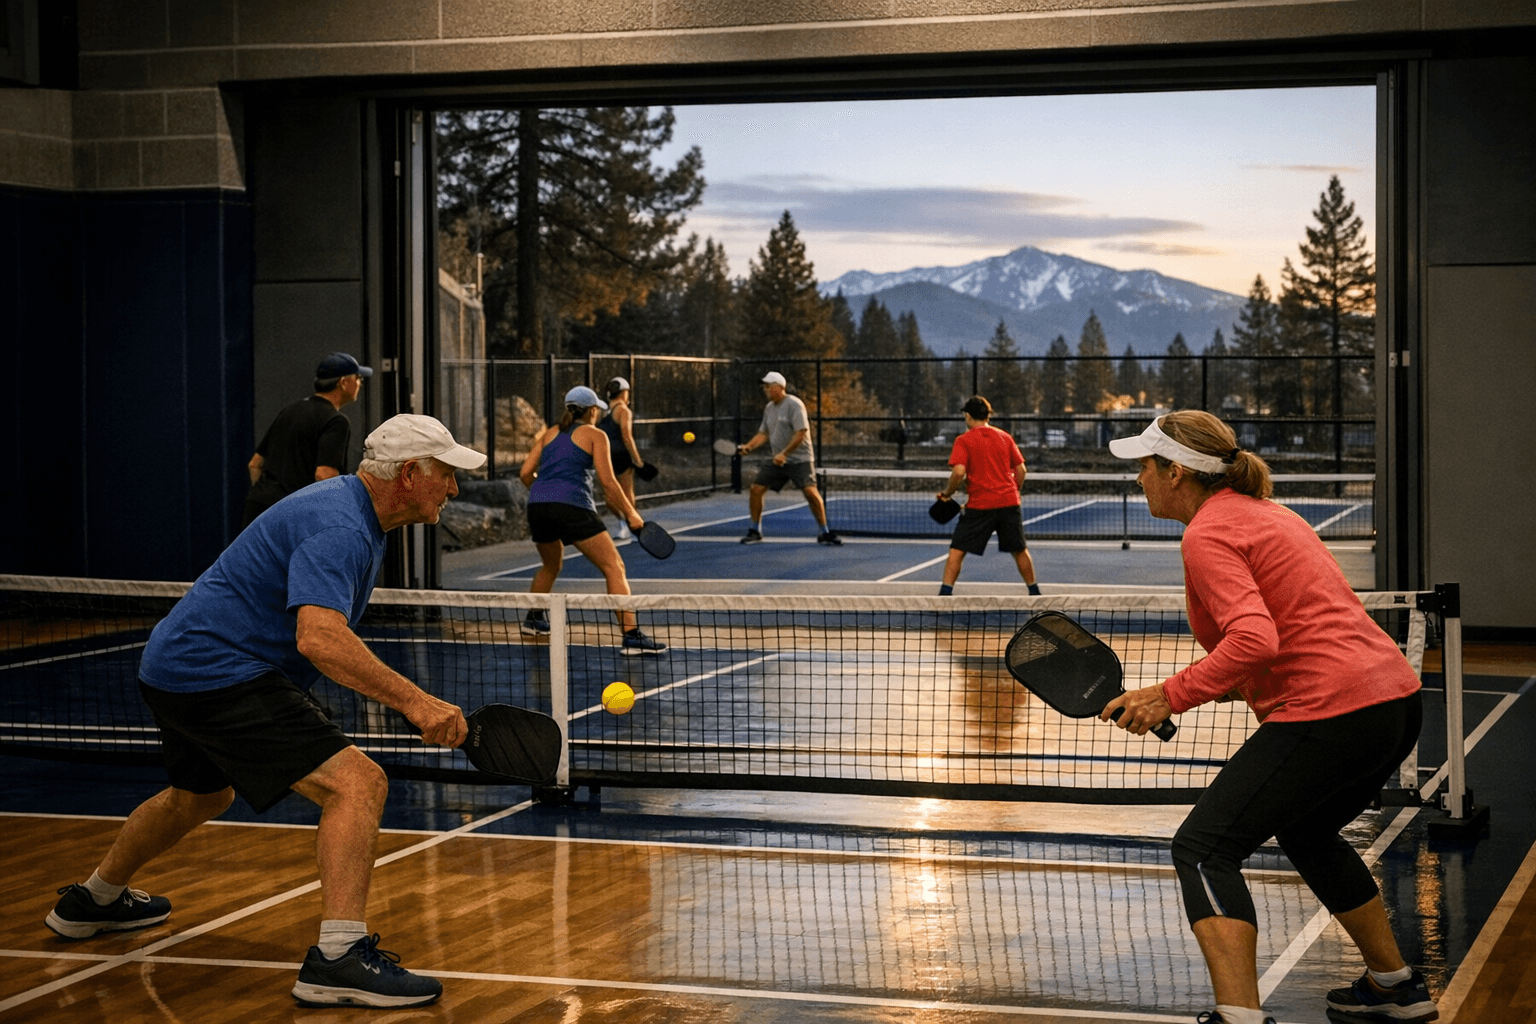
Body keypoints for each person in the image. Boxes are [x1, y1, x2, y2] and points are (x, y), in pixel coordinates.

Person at [45, 413, 485, 1009]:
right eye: (446, 474)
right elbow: (319, 638)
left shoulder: (351, 511)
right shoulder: (341, 526)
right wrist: (417, 702)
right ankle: (338, 959)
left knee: (199, 797)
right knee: (357, 784)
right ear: (409, 474)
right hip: (216, 671)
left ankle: (91, 901)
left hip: (173, 665)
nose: (453, 487)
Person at [1102, 410, 1435, 1024]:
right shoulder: (1270, 514)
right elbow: (1299, 628)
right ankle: (1394, 984)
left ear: (1176, 472)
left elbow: (1255, 640)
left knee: (1202, 849)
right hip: (1393, 702)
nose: (1138, 477)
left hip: (1331, 712)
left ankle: (1239, 1017)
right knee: (1307, 832)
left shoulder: (1207, 533)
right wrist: (1222, 689)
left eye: (1145, 466)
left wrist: (1169, 695)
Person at [519, 385, 667, 655]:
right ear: (592, 411)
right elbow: (609, 483)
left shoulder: (549, 433)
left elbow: (525, 473)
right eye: (596, 409)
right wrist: (632, 514)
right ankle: (631, 635)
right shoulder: (596, 435)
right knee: (614, 567)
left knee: (550, 565)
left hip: (538, 507)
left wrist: (545, 492)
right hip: (573, 506)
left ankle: (534, 619)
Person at [243, 352, 372, 528]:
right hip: (293, 514)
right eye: (358, 378)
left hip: (258, 509)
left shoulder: (290, 410)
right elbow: (324, 475)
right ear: (343, 382)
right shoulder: (336, 421)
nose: (360, 383)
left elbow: (255, 464)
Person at [933, 395, 1041, 596]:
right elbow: (1021, 470)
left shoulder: (963, 440)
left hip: (979, 506)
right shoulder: (1005, 437)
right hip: (1009, 502)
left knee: (957, 551)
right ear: (987, 415)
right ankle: (1035, 593)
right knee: (1019, 550)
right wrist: (1013, 492)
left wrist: (947, 494)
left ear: (967, 415)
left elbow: (958, 472)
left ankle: (944, 595)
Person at [736, 371, 841, 546]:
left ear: (779, 387)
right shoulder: (769, 408)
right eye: (765, 387)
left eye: (768, 387)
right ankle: (755, 531)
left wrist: (784, 453)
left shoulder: (794, 404)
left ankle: (825, 532)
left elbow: (801, 433)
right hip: (777, 460)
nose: (765, 390)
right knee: (756, 489)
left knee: (811, 493)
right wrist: (749, 446)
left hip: (800, 459)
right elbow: (763, 433)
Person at [598, 376, 648, 541]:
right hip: (617, 456)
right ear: (623, 393)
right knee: (623, 494)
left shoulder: (604, 411)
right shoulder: (621, 411)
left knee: (612, 495)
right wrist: (637, 460)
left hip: (608, 456)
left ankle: (627, 525)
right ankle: (630, 524)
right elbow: (627, 437)